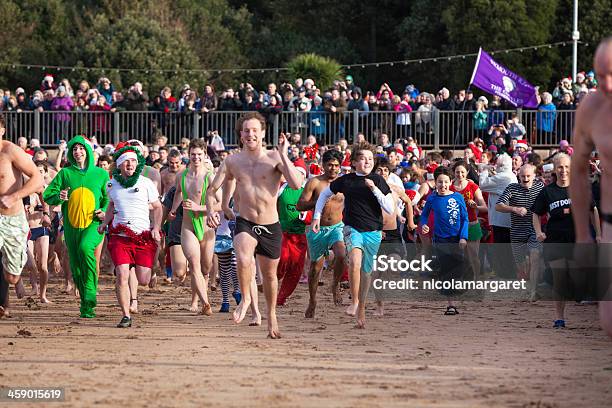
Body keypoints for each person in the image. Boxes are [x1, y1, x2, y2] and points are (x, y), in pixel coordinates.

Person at [206, 112, 304, 339]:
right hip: (245, 221)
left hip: (271, 225)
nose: (250, 134)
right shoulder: (232, 161)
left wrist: (284, 154)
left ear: (262, 134)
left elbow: (296, 183)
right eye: (246, 131)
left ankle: (271, 316)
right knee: (242, 258)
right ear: (241, 135)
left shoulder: (274, 158)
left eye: (254, 131)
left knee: (269, 277)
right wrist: (216, 208)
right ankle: (246, 299)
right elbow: (213, 188)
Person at [312, 142, 394, 329]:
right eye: (363, 158)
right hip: (351, 228)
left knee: (367, 271)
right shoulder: (346, 180)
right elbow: (324, 195)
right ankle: (355, 301)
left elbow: (389, 208)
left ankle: (363, 307)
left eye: (370, 159)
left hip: (373, 230)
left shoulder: (378, 181)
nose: (367, 162)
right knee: (355, 262)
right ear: (355, 161)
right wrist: (316, 217)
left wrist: (374, 189)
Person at [570, 37, 612, 338]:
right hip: (611, 225)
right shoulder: (592, 107)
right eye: (599, 76)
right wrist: (583, 236)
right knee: (609, 322)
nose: (606, 84)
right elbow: (579, 170)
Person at [43, 135, 109, 318]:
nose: (77, 152)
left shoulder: (101, 174)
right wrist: (59, 197)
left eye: (81, 148)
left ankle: (90, 291)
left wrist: (103, 210)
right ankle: (86, 305)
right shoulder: (65, 173)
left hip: (93, 224)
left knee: (85, 248)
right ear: (71, 153)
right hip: (71, 225)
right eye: (74, 149)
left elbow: (108, 198)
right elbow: (48, 194)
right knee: (76, 264)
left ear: (87, 151)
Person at [98, 142, 162, 327]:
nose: (130, 164)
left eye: (133, 161)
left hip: (142, 236)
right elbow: (111, 205)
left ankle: (151, 268)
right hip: (120, 236)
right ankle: (126, 315)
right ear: (119, 164)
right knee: (122, 275)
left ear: (138, 164)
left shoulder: (146, 183)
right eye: (126, 161)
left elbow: (158, 207)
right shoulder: (112, 184)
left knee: (143, 280)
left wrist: (156, 227)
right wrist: (104, 223)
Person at [0, 114, 44, 318]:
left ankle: (11, 281)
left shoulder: (10, 151)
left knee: (11, 276)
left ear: (2, 130)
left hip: (12, 219)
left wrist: (14, 196)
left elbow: (37, 179)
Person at [297, 150, 346, 318]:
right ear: (323, 165)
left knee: (341, 254)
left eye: (336, 166)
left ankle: (335, 284)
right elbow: (300, 205)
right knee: (315, 269)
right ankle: (312, 301)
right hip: (317, 229)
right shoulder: (315, 182)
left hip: (336, 227)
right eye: (330, 165)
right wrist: (317, 202)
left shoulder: (344, 183)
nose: (333, 168)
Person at [170, 139, 216, 315]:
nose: (196, 157)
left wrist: (199, 208)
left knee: (205, 269)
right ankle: (205, 303)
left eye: (199, 154)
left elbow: (220, 204)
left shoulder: (210, 176)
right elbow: (179, 193)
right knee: (194, 265)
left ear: (205, 155)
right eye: (193, 154)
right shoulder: (181, 175)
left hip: (206, 227)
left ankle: (198, 299)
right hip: (188, 225)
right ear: (188, 155)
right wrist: (174, 210)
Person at [420, 166, 469, 315]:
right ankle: (451, 304)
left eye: (446, 182)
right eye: (440, 182)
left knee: (459, 268)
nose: (443, 185)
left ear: (450, 182)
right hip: (440, 239)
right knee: (447, 270)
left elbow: (465, 218)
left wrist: (463, 237)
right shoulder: (432, 198)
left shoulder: (458, 197)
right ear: (435, 183)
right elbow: (423, 216)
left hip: (457, 239)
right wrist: (424, 226)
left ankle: (453, 289)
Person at [496, 164, 545, 299]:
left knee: (535, 257)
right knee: (521, 264)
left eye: (528, 176)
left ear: (534, 176)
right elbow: (498, 206)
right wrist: (515, 209)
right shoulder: (512, 187)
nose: (525, 178)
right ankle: (527, 288)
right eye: (522, 176)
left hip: (534, 229)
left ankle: (534, 292)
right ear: (518, 176)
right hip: (517, 231)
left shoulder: (540, 187)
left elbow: (548, 203)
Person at [478, 154, 518, 278]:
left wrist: (484, 170)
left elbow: (483, 184)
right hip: (505, 218)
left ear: (501, 165)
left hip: (501, 219)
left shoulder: (503, 177)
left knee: (502, 248)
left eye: (497, 164)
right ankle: (507, 272)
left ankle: (506, 273)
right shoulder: (509, 176)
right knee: (505, 248)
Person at [451, 161, 487, 280]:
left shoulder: (473, 186)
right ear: (454, 172)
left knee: (473, 256)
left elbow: (485, 207)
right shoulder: (449, 187)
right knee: (458, 256)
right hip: (455, 226)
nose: (460, 175)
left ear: (467, 172)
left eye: (462, 172)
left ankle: (477, 279)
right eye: (457, 172)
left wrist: (475, 206)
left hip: (471, 225)